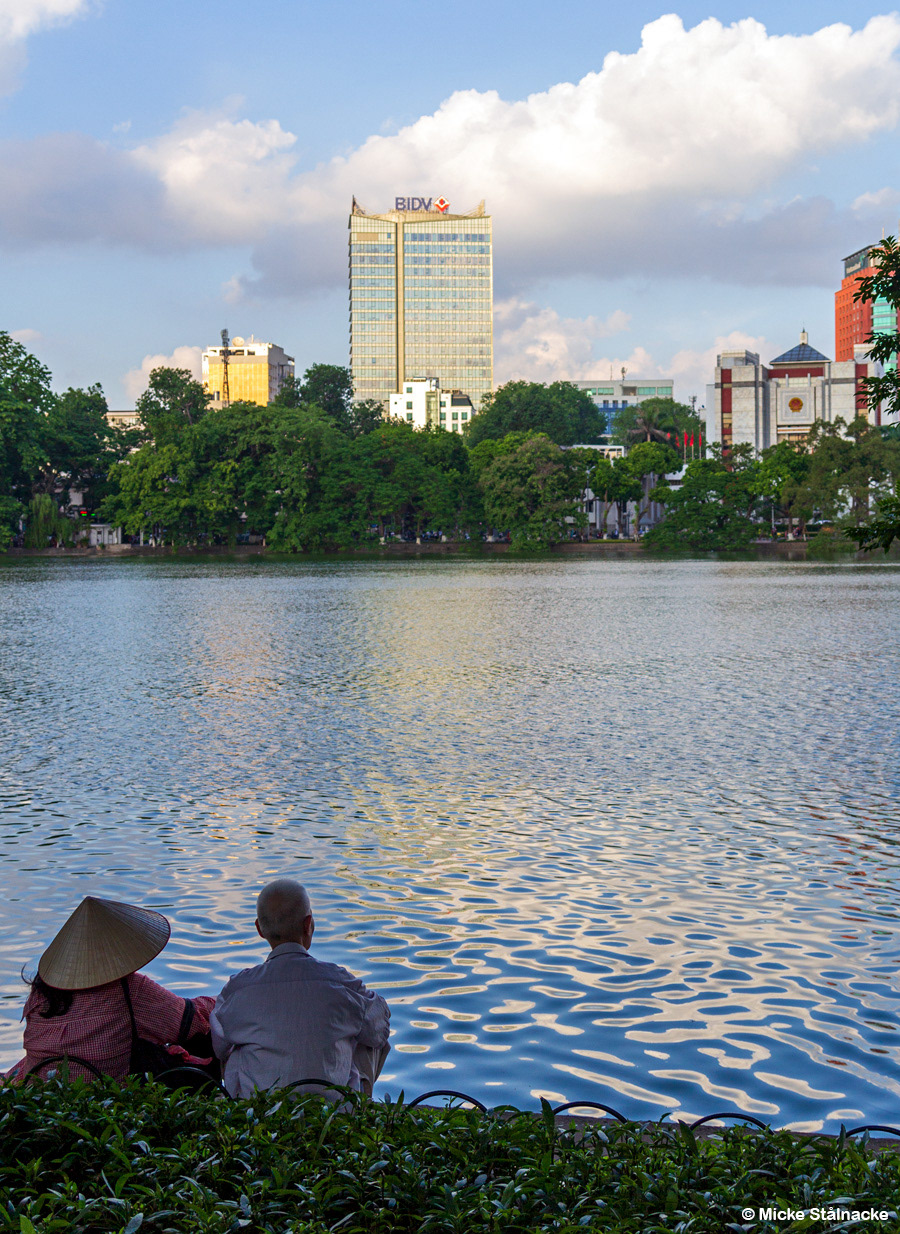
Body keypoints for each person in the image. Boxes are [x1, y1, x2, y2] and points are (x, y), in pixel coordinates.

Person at [210, 878, 390, 1099]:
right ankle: (357, 1106)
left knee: (232, 1043)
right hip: (331, 1111)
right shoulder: (341, 983)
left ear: (259, 929)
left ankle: (242, 1103)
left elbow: (219, 1047)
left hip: (259, 1111)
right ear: (308, 924)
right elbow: (380, 1027)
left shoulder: (238, 989)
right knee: (371, 1027)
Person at [4, 896, 215, 1083]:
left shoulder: (41, 993)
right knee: (207, 1034)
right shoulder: (130, 989)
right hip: (103, 1098)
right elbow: (191, 1021)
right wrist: (223, 1001)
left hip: (39, 1091)